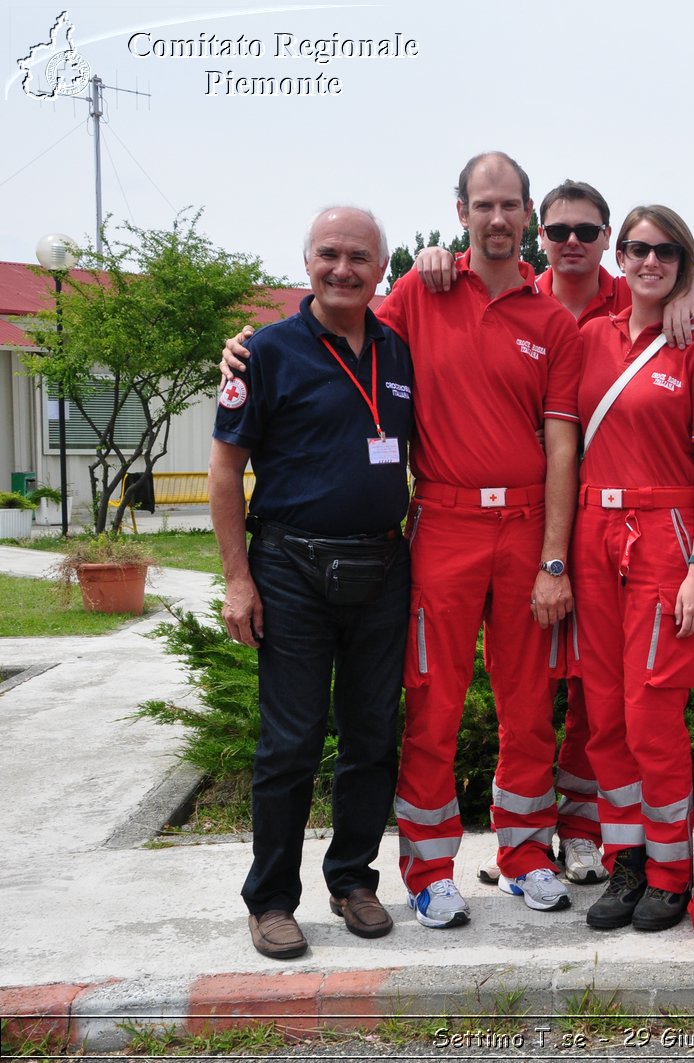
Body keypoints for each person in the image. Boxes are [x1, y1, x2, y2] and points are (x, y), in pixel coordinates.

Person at [223, 151, 584, 929]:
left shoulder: (551, 318)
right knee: (432, 706)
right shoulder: (419, 293)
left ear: (527, 215)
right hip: (443, 525)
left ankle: (524, 855)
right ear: (460, 211)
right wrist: (241, 351)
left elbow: (563, 446)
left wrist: (555, 557)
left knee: (528, 704)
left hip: (525, 530)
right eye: (482, 204)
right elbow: (329, 330)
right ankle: (426, 869)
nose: (497, 218)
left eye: (510, 206)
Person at [414, 180, 694, 891]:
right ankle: (594, 859)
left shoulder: (658, 316)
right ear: (539, 233)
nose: (572, 243)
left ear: (604, 243)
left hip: (620, 529)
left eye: (588, 232)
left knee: (613, 706)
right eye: (560, 231)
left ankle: (608, 845)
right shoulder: (537, 311)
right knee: (556, 693)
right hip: (558, 525)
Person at [211, 206, 413, 959]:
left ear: (379, 269)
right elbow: (226, 469)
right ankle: (270, 898)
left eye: (360, 256)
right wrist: (239, 581)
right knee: (291, 743)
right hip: (291, 570)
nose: (344, 268)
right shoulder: (262, 354)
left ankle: (353, 877)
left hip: (383, 567)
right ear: (307, 261)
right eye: (330, 253)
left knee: (371, 737)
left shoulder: (398, 350)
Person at [571, 205, 694, 932]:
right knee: (603, 711)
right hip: (591, 531)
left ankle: (672, 867)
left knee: (652, 711)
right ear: (620, 255)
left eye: (666, 251)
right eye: (636, 248)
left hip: (666, 535)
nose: (648, 261)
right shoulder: (586, 338)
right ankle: (626, 859)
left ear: (683, 261)